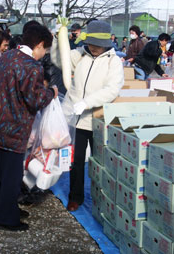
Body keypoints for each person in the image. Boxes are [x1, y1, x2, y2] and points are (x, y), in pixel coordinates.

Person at [0, 24, 57, 231]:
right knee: (11, 177)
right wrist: (52, 93)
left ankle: (3, 208)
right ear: (39, 45)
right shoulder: (31, 66)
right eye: (45, 50)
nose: (44, 54)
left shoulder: (8, 55)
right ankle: (6, 218)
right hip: (12, 128)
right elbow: (35, 99)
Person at [51, 20, 124, 212]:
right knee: (76, 161)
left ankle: (103, 198)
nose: (94, 48)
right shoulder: (80, 55)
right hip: (77, 119)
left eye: (97, 45)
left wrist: (87, 102)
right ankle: (76, 197)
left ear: (107, 44)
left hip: (98, 119)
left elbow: (112, 90)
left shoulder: (113, 61)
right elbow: (60, 61)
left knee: (100, 162)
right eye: (91, 44)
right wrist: (57, 39)